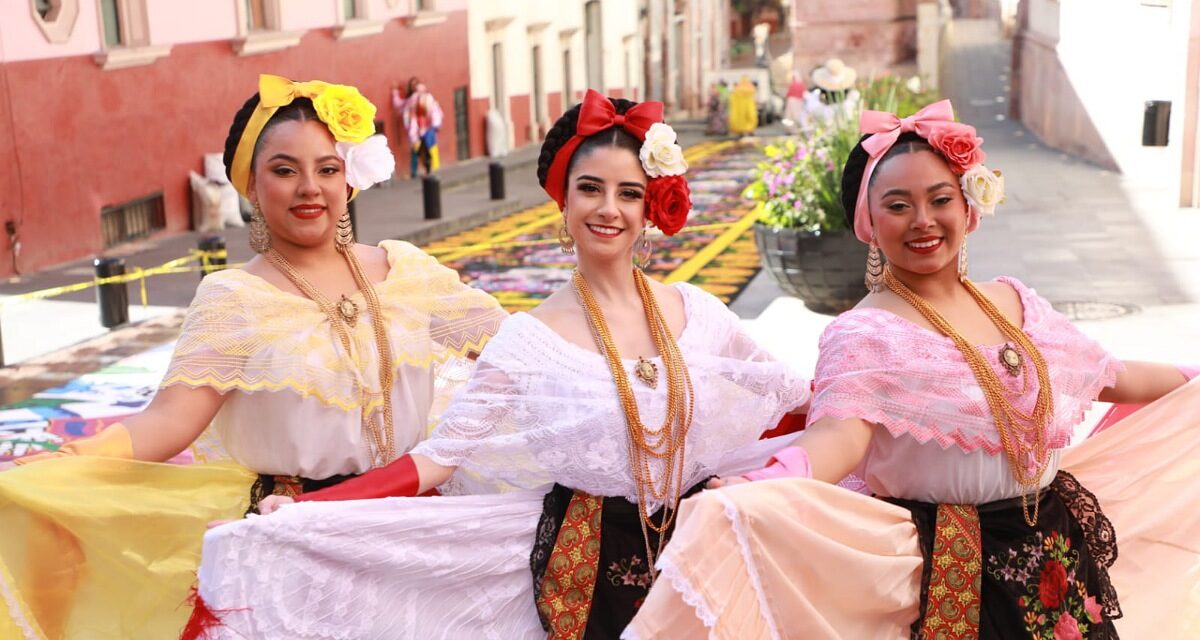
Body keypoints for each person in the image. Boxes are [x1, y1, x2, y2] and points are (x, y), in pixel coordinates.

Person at [185, 89, 811, 639]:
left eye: (630, 193)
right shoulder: (529, 341)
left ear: (652, 207)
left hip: (703, 553)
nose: (608, 210)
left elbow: (793, 399)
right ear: (562, 206)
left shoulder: (700, 313)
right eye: (589, 189)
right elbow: (437, 459)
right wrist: (317, 507)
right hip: (582, 575)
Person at [626, 100, 1200, 639]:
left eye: (940, 199)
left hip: (1053, 549)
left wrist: (1192, 375)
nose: (923, 221)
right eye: (898, 205)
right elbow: (839, 438)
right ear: (869, 224)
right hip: (951, 566)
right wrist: (768, 481)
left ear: (968, 204)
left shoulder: (1013, 301)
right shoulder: (865, 332)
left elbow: (1108, 374)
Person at [0, 74, 505, 639]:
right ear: (251, 187)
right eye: (284, 170)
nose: (309, 187)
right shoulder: (233, 299)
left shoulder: (407, 272)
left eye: (328, 169)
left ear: (349, 180)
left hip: (413, 530)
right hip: (291, 537)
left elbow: (520, 354)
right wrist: (74, 454)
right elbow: (171, 418)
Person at [402, 76, 444, 177]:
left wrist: (435, 124)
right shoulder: (411, 100)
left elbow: (435, 111)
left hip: (427, 128)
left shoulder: (428, 98)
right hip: (416, 129)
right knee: (416, 149)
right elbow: (406, 112)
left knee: (429, 147)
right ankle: (414, 171)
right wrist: (409, 126)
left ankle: (429, 168)